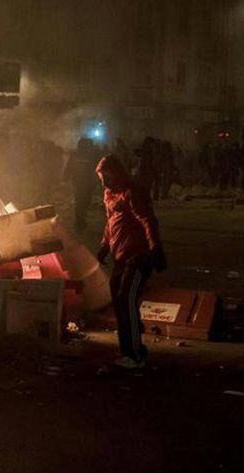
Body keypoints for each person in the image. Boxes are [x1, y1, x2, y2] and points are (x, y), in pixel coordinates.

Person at [96, 155, 166, 370]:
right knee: (118, 299)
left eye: (107, 176)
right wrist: (104, 246)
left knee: (127, 298)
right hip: (121, 257)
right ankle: (128, 352)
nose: (105, 182)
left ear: (117, 173)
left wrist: (155, 248)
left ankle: (136, 354)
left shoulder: (133, 191)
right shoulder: (109, 194)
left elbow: (147, 220)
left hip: (138, 257)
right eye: (101, 178)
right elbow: (111, 224)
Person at [63, 137, 98, 230]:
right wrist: (65, 177)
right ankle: (79, 221)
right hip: (81, 183)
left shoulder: (91, 156)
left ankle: (80, 219)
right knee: (80, 202)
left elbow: (95, 169)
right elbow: (69, 166)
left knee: (84, 202)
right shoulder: (78, 155)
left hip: (84, 183)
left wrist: (65, 177)